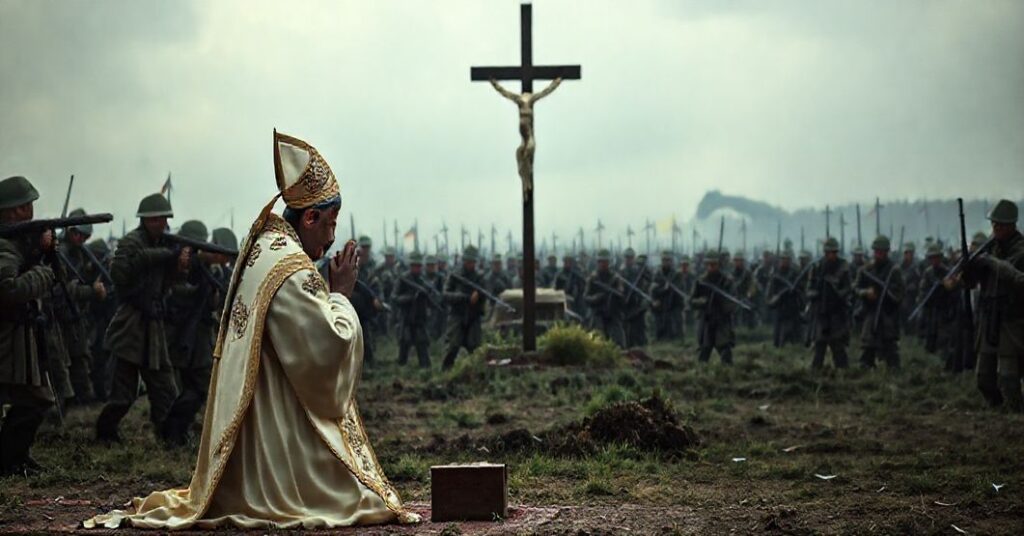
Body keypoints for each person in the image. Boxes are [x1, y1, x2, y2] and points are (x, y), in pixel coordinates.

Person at [85, 130, 417, 529]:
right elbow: (328, 347)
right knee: (355, 500)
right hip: (276, 455)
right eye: (329, 224)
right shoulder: (292, 269)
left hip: (255, 440)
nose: (331, 237)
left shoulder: (265, 247)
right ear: (309, 217)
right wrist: (341, 295)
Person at [95, 193, 187, 443]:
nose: (161, 223)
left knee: (165, 387)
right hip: (131, 322)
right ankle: (105, 434)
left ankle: (169, 435)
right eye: (155, 219)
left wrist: (178, 265)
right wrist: (162, 255)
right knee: (122, 394)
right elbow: (120, 275)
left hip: (154, 324)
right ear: (144, 220)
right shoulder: (131, 242)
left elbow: (168, 283)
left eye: (164, 219)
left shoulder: (165, 243)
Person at [0, 176, 56, 476]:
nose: (31, 210)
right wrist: (43, 274)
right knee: (34, 398)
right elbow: (8, 289)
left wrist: (42, 251)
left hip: (18, 336)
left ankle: (13, 457)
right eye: (26, 206)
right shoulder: (5, 247)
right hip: (8, 336)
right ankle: (9, 459)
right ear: (14, 211)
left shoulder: (15, 243)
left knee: (34, 398)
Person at [161, 220, 225, 447]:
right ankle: (173, 429)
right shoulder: (182, 266)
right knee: (199, 386)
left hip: (194, 336)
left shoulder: (198, 266)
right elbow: (178, 295)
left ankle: (176, 430)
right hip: (188, 336)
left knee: (193, 387)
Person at [960, 199, 1024, 412]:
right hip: (989, 318)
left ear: (1010, 226)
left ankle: (1015, 414)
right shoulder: (989, 248)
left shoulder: (1020, 250)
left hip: (1011, 318)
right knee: (983, 378)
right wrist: (968, 269)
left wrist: (995, 264)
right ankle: (997, 410)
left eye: (1000, 225)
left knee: (1008, 375)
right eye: (993, 225)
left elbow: (1020, 280)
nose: (995, 229)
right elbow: (969, 283)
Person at [854, 236, 905, 369]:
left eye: (882, 252)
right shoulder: (866, 269)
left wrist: (887, 292)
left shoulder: (894, 270)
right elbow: (856, 288)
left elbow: (899, 293)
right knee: (868, 346)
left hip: (888, 313)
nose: (879, 254)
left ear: (887, 252)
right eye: (877, 251)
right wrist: (866, 293)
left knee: (890, 347)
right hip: (871, 311)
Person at [806, 238, 853, 369]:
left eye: (834, 252)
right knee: (820, 344)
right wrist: (816, 293)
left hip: (837, 311)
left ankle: (844, 372)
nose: (831, 255)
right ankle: (816, 372)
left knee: (838, 344)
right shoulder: (816, 267)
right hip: (821, 311)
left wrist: (838, 292)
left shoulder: (843, 266)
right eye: (829, 252)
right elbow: (808, 290)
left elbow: (849, 287)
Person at [442, 245, 486, 370]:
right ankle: (445, 373)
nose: (470, 264)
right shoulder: (455, 275)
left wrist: (479, 294)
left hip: (473, 316)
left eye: (472, 261)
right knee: (452, 346)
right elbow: (445, 294)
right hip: (458, 314)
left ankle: (476, 374)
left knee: (475, 348)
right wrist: (462, 297)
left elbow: (485, 292)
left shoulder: (479, 277)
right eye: (468, 261)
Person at [690, 250, 736, 364]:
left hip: (722, 320)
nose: (711, 267)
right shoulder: (701, 281)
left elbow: (733, 301)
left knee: (725, 350)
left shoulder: (726, 281)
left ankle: (728, 374)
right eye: (709, 264)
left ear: (719, 264)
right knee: (704, 351)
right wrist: (701, 301)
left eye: (714, 264)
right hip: (706, 319)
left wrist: (721, 301)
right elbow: (691, 301)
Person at [392, 252, 433, 368]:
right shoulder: (403, 279)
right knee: (404, 344)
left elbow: (432, 299)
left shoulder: (424, 280)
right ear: (410, 266)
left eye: (419, 266)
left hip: (420, 317)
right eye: (414, 265)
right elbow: (394, 297)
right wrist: (410, 297)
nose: (417, 268)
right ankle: (401, 369)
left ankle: (425, 369)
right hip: (406, 317)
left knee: (422, 344)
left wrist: (426, 295)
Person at [584, 249, 625, 347]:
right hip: (597, 313)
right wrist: (595, 298)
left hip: (613, 313)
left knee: (618, 342)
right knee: (597, 341)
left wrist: (618, 292)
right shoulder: (593, 279)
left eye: (606, 261)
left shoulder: (615, 278)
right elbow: (585, 297)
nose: (603, 264)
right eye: (601, 262)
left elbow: (621, 294)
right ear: (598, 262)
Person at [765, 249, 803, 347]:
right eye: (783, 259)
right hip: (780, 307)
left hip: (792, 307)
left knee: (796, 337)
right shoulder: (775, 275)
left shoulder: (795, 273)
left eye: (787, 259)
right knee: (778, 338)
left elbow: (801, 289)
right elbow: (770, 294)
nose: (785, 261)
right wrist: (776, 298)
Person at [650, 250, 685, 341]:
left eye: (668, 260)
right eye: (664, 260)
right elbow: (653, 289)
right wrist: (663, 290)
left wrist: (669, 289)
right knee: (660, 326)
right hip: (661, 303)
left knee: (676, 328)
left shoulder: (676, 274)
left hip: (674, 303)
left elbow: (679, 289)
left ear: (671, 261)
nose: (666, 262)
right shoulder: (657, 274)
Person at [619, 248, 650, 347]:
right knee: (626, 327)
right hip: (625, 303)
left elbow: (648, 281)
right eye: (627, 258)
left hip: (637, 303)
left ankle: (642, 345)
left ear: (633, 258)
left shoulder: (638, 271)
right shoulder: (621, 272)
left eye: (631, 258)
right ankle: (628, 345)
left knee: (640, 327)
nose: (629, 260)